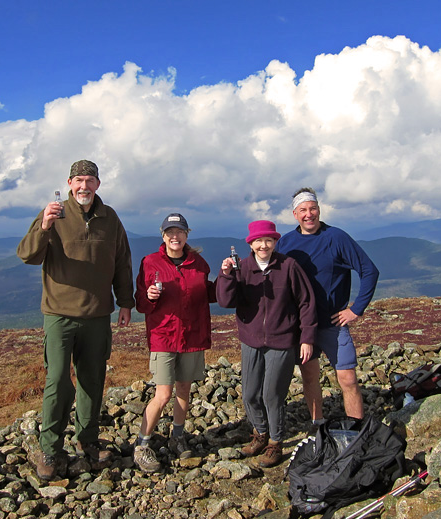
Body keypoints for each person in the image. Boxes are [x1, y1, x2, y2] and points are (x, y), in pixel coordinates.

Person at [17, 159, 135, 480]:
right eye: (78, 180)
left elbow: (122, 262)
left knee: (92, 380)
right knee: (57, 380)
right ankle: (51, 450)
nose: (84, 186)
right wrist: (44, 226)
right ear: (69, 183)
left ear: (98, 184)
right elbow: (27, 255)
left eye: (90, 181)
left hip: (98, 315)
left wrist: (126, 302)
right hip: (59, 315)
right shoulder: (53, 214)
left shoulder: (109, 218)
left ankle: (88, 442)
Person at [217, 220, 316, 467]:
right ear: (250, 243)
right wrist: (226, 275)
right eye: (259, 241)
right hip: (250, 340)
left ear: (275, 242)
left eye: (269, 240)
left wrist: (306, 338)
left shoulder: (288, 266)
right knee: (250, 393)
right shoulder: (242, 267)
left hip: (282, 340)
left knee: (272, 394)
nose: (264, 245)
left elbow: (306, 303)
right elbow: (225, 301)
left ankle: (275, 442)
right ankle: (260, 433)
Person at [276, 188, 379, 424]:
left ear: (319, 210)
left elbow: (369, 270)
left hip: (333, 323)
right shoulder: (286, 243)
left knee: (348, 378)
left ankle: (355, 428)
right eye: (303, 210)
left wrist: (356, 309)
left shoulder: (337, 237)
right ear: (295, 214)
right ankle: (317, 424)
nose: (309, 214)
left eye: (313, 208)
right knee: (310, 377)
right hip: (303, 328)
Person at [133, 213, 216, 473]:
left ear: (186, 234)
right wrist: (149, 295)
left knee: (184, 388)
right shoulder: (150, 262)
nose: (175, 236)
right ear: (163, 236)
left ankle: (177, 436)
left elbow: (208, 294)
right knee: (163, 393)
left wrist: (229, 280)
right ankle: (141, 444)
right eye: (170, 232)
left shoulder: (198, 263)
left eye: (179, 231)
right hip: (163, 335)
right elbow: (141, 304)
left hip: (191, 335)